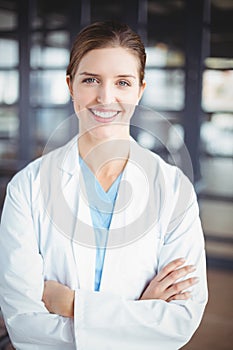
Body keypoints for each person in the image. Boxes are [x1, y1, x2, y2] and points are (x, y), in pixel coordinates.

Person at [0, 21, 208, 350]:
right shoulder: (28, 187)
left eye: (122, 82)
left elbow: (180, 320)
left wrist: (66, 303)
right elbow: (24, 325)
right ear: (71, 85)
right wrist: (139, 314)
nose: (105, 97)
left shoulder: (172, 188)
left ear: (140, 90)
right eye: (91, 80)